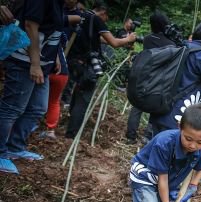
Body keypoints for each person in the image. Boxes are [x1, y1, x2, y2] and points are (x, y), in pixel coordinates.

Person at [0, 0, 66, 174]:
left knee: (38, 107)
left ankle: (15, 146)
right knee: (12, 108)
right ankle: (0, 153)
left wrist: (55, 57)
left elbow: (53, 31)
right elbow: (30, 25)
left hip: (43, 63)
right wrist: (35, 64)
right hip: (25, 61)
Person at [65, 0, 136, 139]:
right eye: (106, 16)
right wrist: (129, 39)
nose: (106, 19)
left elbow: (100, 39)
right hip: (87, 64)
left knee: (77, 90)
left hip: (73, 61)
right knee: (84, 97)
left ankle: (69, 119)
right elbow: (114, 43)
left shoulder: (81, 16)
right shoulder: (96, 20)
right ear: (102, 12)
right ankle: (71, 133)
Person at [125, 10, 175, 145]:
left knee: (137, 107)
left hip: (144, 78)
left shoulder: (148, 39)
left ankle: (130, 136)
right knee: (157, 109)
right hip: (160, 81)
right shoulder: (170, 44)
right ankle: (148, 136)